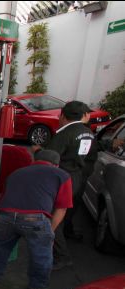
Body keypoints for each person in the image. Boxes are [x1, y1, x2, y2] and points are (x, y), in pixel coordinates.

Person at [0, 150, 73, 289]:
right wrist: (50, 232)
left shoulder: (16, 173)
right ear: (56, 165)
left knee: (0, 249)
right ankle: (37, 286)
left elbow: (2, 200)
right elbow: (62, 208)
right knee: (41, 253)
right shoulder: (62, 175)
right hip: (34, 219)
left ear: (34, 161)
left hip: (6, 215)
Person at [33, 101, 95, 269]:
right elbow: (92, 157)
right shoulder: (88, 133)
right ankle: (68, 234)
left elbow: (49, 157)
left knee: (55, 217)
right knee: (68, 211)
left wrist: (38, 151)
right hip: (78, 177)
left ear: (62, 116)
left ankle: (61, 256)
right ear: (82, 115)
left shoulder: (65, 133)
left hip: (62, 178)